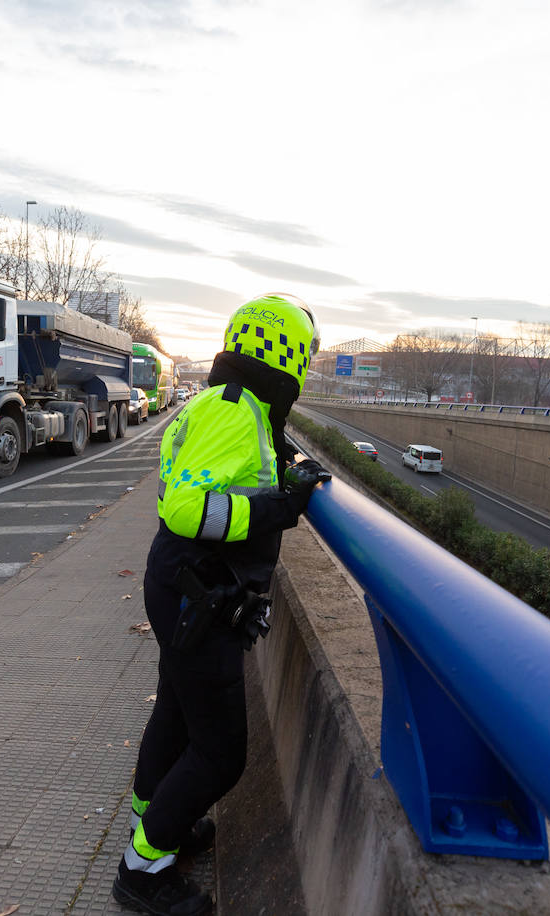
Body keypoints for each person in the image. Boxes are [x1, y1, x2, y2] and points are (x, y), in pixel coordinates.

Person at [113, 293, 328, 915]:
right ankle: (143, 871)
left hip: (187, 586)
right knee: (221, 752)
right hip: (198, 591)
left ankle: (156, 828)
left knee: (177, 715)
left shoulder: (232, 403)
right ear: (286, 356)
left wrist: (284, 467)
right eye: (303, 360)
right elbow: (188, 509)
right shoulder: (235, 413)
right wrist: (284, 507)